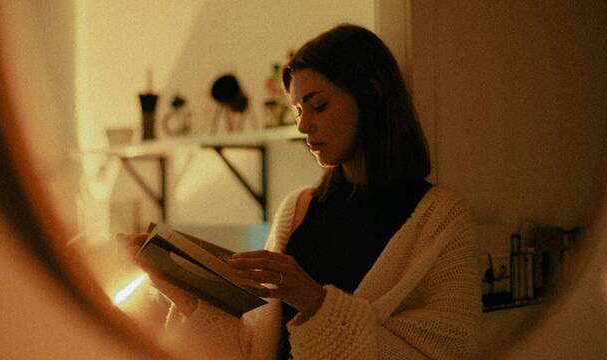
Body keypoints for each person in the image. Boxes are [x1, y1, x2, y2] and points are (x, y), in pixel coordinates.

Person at [121, 24, 481, 359]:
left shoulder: (440, 216)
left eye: (318, 106)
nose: (304, 125)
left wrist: (315, 303)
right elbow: (258, 339)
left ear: (372, 94)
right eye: (297, 110)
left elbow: (451, 347)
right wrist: (175, 279)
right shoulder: (298, 208)